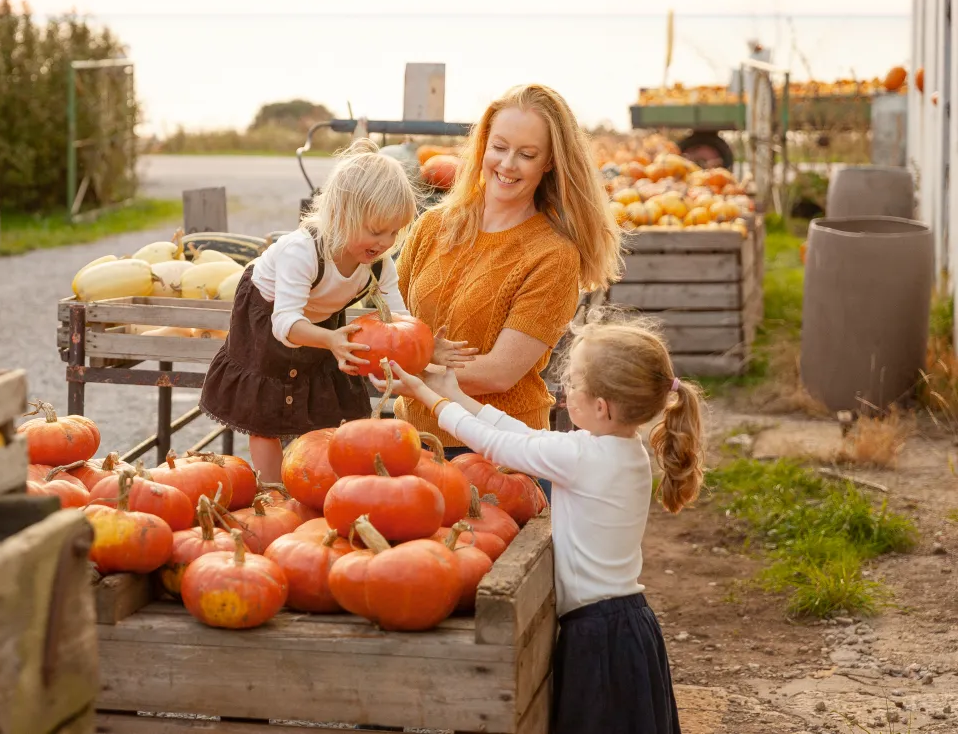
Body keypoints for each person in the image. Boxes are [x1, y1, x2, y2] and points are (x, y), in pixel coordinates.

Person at [374, 312, 703, 734]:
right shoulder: (617, 447)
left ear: (601, 407)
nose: (565, 390)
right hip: (623, 624)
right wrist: (453, 394)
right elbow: (523, 436)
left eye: (574, 382)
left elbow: (498, 446)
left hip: (599, 633)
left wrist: (428, 396)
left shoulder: (586, 458)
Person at [395, 83, 625, 497]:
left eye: (527, 154)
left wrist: (409, 372)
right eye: (499, 147)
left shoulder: (552, 255)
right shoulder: (433, 226)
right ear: (483, 145)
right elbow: (393, 321)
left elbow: (499, 373)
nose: (508, 164)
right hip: (411, 440)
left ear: (551, 162)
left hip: (498, 455)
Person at [200, 139, 474, 484]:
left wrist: (426, 349)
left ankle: (316, 479)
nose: (385, 242)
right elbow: (284, 323)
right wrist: (330, 339)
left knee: (325, 401)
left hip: (321, 321)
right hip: (268, 313)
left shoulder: (377, 263)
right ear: (341, 214)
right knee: (267, 411)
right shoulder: (302, 252)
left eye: (393, 232)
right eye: (376, 231)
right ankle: (271, 489)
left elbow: (400, 320)